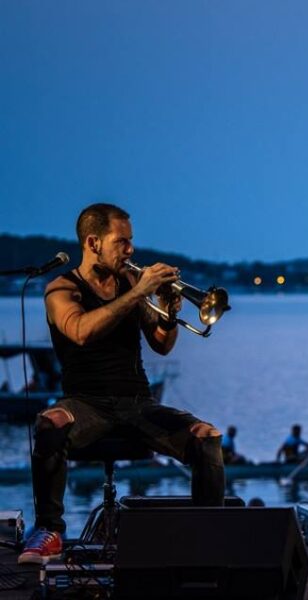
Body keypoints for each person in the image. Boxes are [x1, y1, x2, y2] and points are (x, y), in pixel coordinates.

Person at [19, 203, 225, 565]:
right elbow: (81, 331)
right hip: (85, 402)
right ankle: (49, 529)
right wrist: (137, 293)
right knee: (50, 422)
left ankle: (208, 536)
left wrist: (171, 313)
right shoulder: (62, 289)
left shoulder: (130, 284)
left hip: (138, 402)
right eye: (122, 242)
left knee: (206, 437)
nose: (130, 250)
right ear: (93, 242)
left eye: (131, 241)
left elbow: (162, 344)